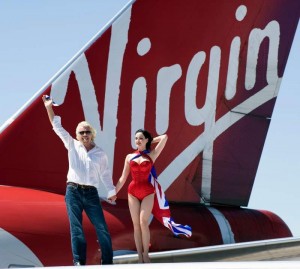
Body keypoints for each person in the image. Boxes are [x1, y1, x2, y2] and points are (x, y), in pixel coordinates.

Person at [42, 95, 117, 266]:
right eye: (81, 132)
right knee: (76, 229)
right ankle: (79, 262)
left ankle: (107, 262)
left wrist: (111, 191)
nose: (84, 135)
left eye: (87, 131)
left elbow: (105, 174)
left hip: (91, 193)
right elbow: (57, 126)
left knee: (102, 228)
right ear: (77, 135)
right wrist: (49, 107)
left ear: (93, 134)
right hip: (73, 191)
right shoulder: (72, 144)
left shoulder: (100, 153)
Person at [115, 129, 168, 263]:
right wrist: (113, 192)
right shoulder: (129, 157)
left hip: (148, 192)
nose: (137, 141)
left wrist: (151, 140)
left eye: (140, 138)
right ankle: (139, 256)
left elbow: (165, 137)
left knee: (143, 222)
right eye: (136, 138)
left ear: (145, 140)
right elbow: (122, 178)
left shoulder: (152, 155)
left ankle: (146, 254)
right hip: (132, 191)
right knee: (136, 225)